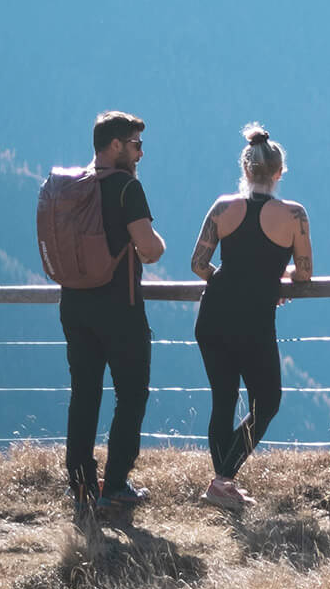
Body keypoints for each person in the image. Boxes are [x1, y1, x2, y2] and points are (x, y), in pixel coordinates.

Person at [188, 123, 313, 514]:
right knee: (268, 400)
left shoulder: (223, 208)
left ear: (245, 170)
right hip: (255, 321)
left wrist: (231, 282)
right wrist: (270, 281)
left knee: (223, 400)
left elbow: (198, 264)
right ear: (279, 173)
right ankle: (223, 480)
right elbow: (304, 273)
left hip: (215, 315)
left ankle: (223, 484)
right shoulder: (294, 215)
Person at [61, 111, 166, 515]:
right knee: (132, 393)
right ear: (116, 146)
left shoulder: (74, 186)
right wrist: (157, 240)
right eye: (136, 144)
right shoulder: (126, 188)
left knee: (84, 395)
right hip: (119, 307)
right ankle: (116, 484)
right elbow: (150, 250)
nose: (141, 153)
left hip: (74, 304)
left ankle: (83, 487)